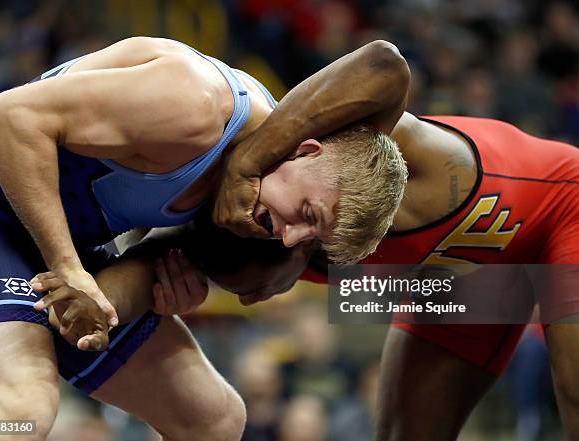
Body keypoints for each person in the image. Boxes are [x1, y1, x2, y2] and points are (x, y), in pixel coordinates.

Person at [0, 36, 406, 440]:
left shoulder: (250, 195)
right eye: (308, 214)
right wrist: (67, 266)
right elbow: (7, 115)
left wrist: (164, 288)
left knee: (213, 421)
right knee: (19, 413)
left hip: (62, 244)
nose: (290, 236)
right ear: (305, 150)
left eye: (311, 236)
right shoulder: (194, 103)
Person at [212, 40, 579, 439]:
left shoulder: (351, 162)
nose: (287, 236)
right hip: (456, 277)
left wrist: (244, 165)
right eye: (255, 294)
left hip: (562, 205)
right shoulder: (318, 245)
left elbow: (384, 63)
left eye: (282, 223)